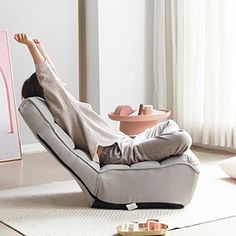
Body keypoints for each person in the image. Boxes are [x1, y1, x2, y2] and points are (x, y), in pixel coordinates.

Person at [15, 32, 192, 166]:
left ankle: (158, 149)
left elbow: (52, 75)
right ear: (44, 90)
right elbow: (49, 79)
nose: (58, 82)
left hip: (124, 142)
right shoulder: (62, 108)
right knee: (183, 138)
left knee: (170, 125)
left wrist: (41, 47)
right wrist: (30, 46)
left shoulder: (64, 103)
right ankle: (159, 151)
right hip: (118, 153)